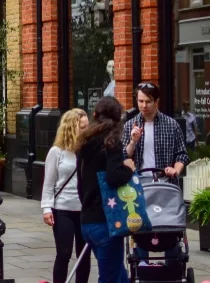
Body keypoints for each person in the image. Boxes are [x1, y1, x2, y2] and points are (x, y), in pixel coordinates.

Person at [123, 82, 189, 263]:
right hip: (140, 185)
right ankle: (142, 267)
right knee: (141, 229)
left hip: (165, 184)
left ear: (156, 102)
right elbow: (123, 156)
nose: (144, 106)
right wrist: (132, 143)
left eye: (148, 102)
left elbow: (182, 154)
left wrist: (175, 169)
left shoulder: (171, 125)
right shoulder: (130, 125)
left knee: (169, 226)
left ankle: (173, 267)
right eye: (140, 101)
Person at [75, 96, 136, 283]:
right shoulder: (111, 142)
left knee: (119, 275)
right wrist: (128, 168)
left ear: (95, 115)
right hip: (107, 222)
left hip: (87, 221)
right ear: (118, 119)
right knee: (110, 277)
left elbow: (80, 183)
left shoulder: (85, 142)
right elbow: (114, 177)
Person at [42, 108, 90, 283]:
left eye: (87, 126)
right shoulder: (57, 152)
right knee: (64, 253)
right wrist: (46, 208)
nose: (86, 130)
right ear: (71, 128)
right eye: (82, 127)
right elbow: (48, 183)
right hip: (62, 208)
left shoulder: (88, 150)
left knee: (84, 254)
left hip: (85, 209)